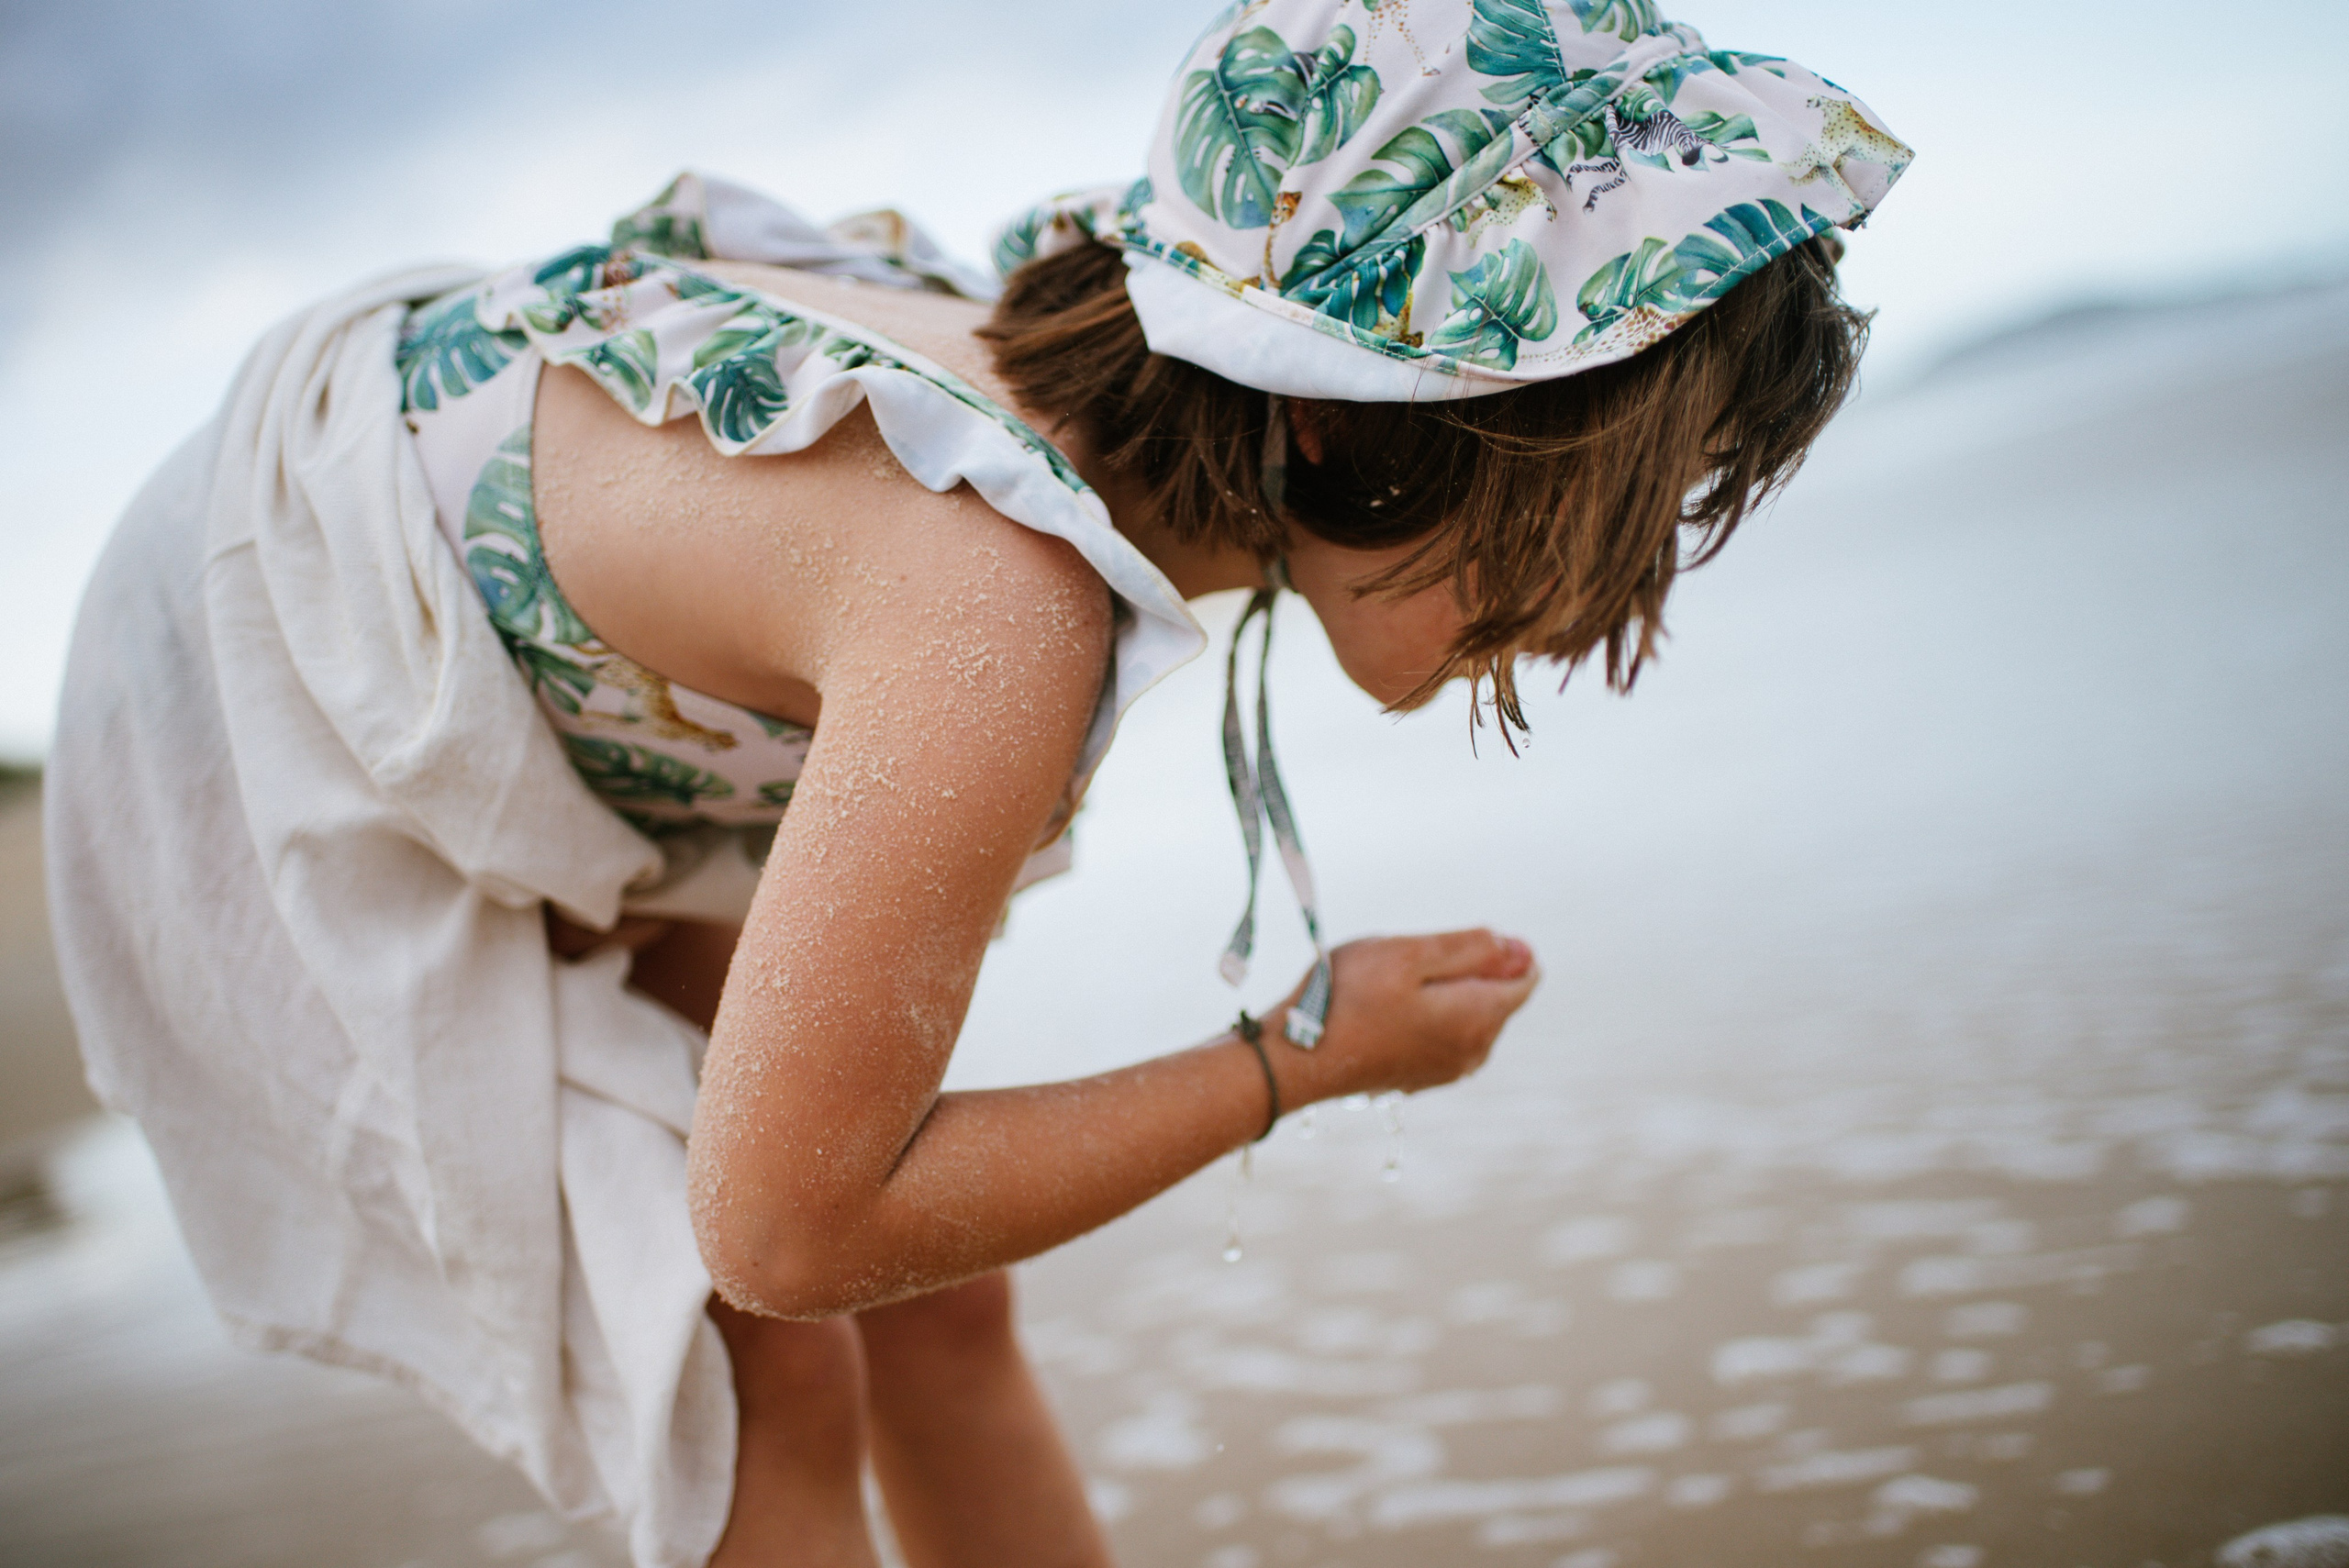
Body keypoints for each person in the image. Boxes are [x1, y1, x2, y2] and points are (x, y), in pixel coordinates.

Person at [44, 2, 1909, 1564]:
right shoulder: (992, 603)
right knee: (761, 1334)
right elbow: (782, 1231)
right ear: (1351, 421)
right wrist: (1287, 1062)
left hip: (565, 607)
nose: (1614, 602)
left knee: (933, 1283)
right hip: (284, 638)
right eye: (1608, 518)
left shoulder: (1131, 466)